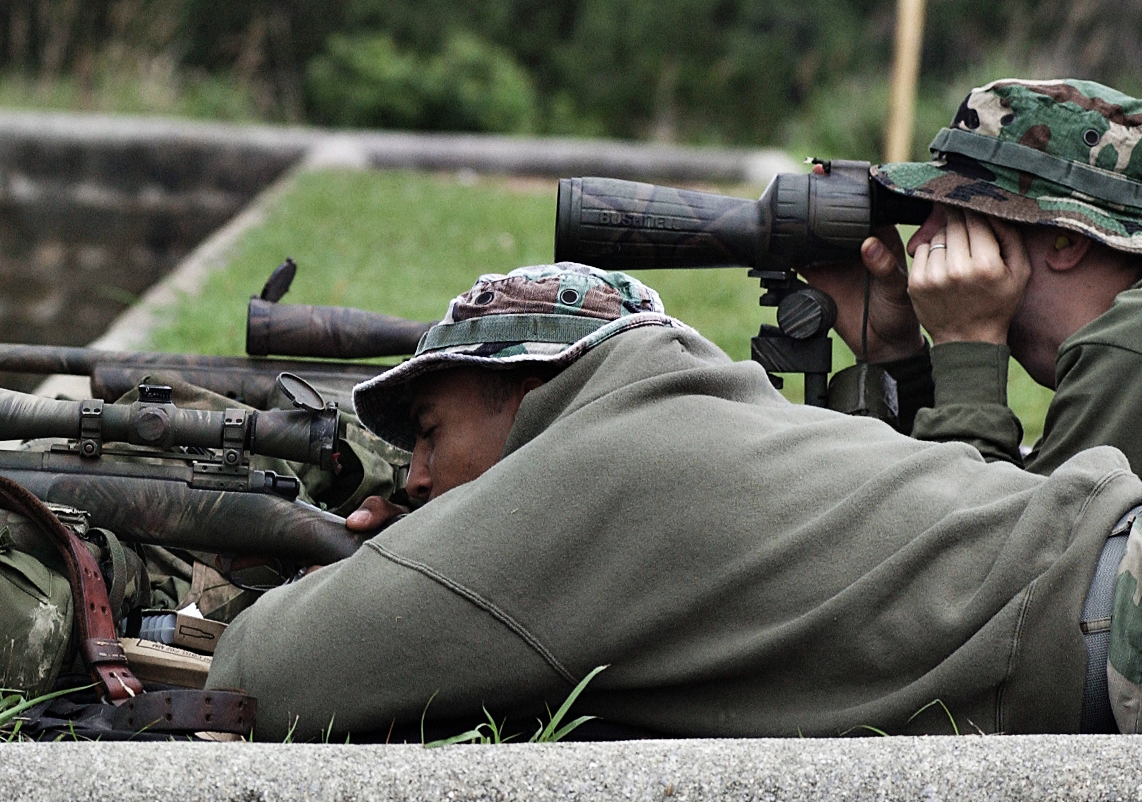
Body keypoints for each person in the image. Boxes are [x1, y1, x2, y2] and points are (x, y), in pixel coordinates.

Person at [205, 263, 1142, 740]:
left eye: (430, 431)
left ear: (527, 390)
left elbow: (265, 677)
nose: (412, 476)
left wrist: (373, 569)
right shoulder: (699, 417)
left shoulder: (588, 474)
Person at [803, 78, 1142, 473]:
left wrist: (968, 347)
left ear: (1065, 239)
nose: (917, 246)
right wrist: (899, 358)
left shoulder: (1128, 350)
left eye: (955, 215)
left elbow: (1001, 534)